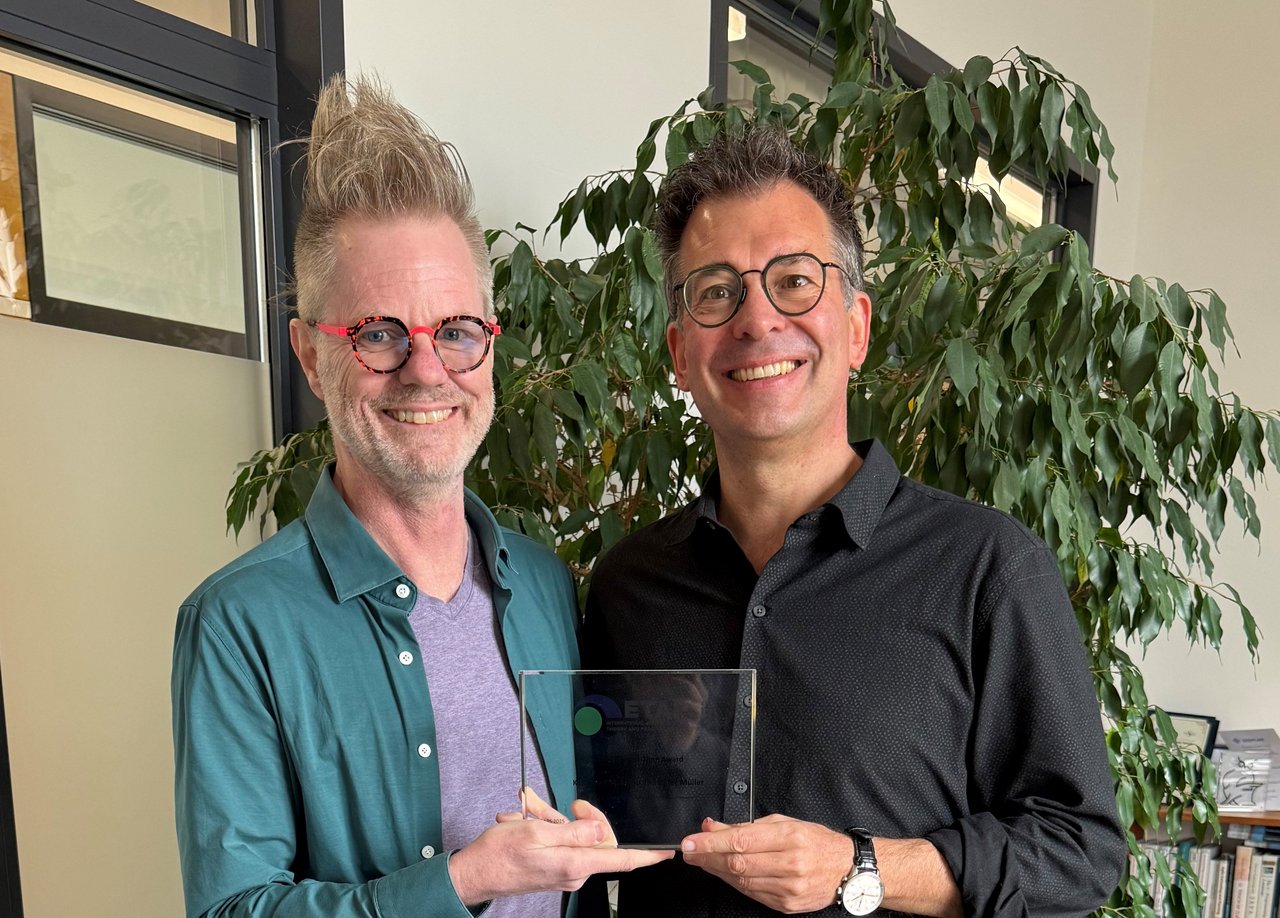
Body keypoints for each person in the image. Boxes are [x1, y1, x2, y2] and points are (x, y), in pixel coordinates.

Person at [582, 125, 1127, 917]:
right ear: (679, 352)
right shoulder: (628, 585)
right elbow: (603, 832)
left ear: (858, 328)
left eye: (795, 280)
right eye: (716, 290)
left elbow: (1080, 850)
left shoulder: (986, 568)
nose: (756, 319)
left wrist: (860, 866)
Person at [171, 74, 667, 918]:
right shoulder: (240, 624)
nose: (428, 371)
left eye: (458, 332)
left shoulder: (546, 584)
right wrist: (466, 879)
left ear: (490, 342)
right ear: (308, 354)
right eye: (378, 334)